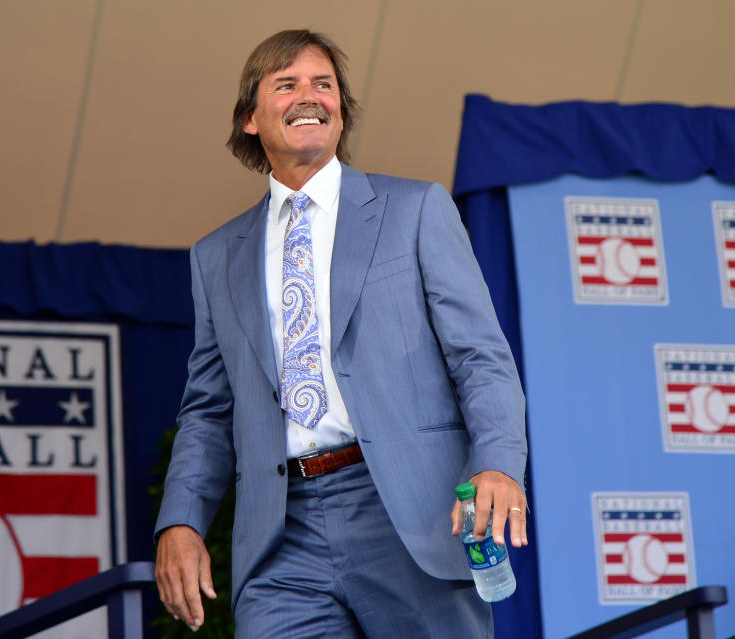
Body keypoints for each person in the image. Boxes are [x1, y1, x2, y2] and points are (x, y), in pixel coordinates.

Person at [155, 28, 528, 638]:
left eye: (323, 84)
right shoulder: (216, 256)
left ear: (341, 110)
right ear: (250, 118)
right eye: (287, 84)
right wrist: (181, 522)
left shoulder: (416, 209)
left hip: (409, 512)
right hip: (281, 534)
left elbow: (480, 358)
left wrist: (498, 463)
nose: (310, 95)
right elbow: (208, 412)